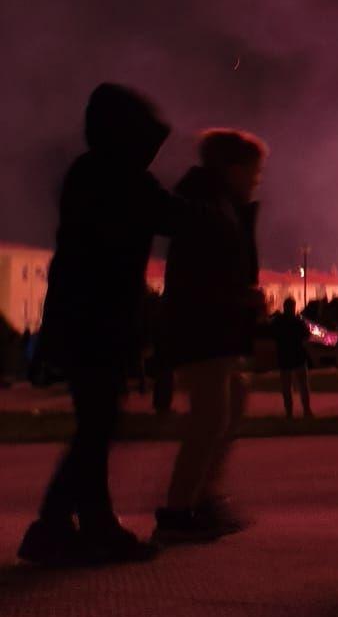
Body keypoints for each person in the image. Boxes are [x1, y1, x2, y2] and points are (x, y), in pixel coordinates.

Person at [20, 84, 180, 566]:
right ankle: (59, 527)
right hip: (97, 323)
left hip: (83, 320)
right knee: (97, 427)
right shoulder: (118, 178)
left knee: (96, 426)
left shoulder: (92, 174)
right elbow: (175, 218)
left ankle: (82, 526)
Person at [155, 128, 266, 543]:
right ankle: (179, 510)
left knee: (229, 408)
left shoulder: (222, 206)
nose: (257, 180)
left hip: (218, 329)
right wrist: (241, 297)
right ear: (232, 169)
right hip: (203, 330)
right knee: (209, 418)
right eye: (254, 172)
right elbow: (197, 276)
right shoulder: (205, 206)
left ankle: (201, 499)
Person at [270, 296, 312, 419]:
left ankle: (289, 413)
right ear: (293, 307)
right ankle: (306, 410)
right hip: (298, 355)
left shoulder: (278, 322)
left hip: (284, 356)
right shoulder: (298, 321)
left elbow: (273, 335)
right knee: (303, 385)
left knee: (286, 387)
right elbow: (306, 335)